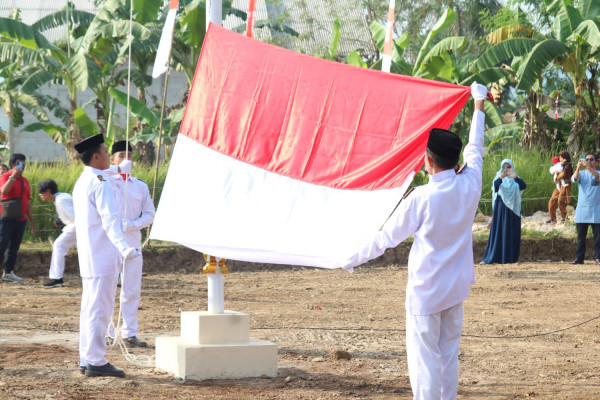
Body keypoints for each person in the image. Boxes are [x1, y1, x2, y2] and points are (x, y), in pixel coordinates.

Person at [342, 82, 488, 399]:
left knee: (424, 364)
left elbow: (385, 239)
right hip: (455, 287)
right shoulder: (471, 182)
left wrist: (349, 258)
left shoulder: (421, 198)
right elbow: (475, 148)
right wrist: (478, 104)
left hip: (426, 290)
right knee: (447, 357)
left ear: (428, 160)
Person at [72, 133, 140, 378]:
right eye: (105, 150)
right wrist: (125, 248)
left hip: (92, 257)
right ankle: (96, 360)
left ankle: (87, 357)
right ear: (97, 156)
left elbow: (109, 171)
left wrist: (118, 168)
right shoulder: (100, 184)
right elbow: (111, 221)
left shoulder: (86, 179)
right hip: (102, 256)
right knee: (100, 310)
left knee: (90, 309)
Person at [109, 141, 155, 347]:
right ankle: (107, 331)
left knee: (131, 289)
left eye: (129, 155)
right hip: (110, 243)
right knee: (108, 288)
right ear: (112, 159)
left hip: (133, 241)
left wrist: (132, 225)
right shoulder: (106, 181)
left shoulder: (141, 185)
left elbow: (150, 214)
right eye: (120, 155)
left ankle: (129, 332)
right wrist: (116, 171)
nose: (126, 158)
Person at [481, 159, 526, 264]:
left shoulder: (515, 179)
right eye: (504, 167)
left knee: (511, 232)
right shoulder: (498, 178)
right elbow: (495, 187)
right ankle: (496, 257)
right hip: (501, 209)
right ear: (501, 168)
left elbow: (523, 186)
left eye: (508, 167)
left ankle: (509, 257)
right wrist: (501, 177)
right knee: (499, 232)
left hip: (513, 211)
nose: (506, 169)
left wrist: (514, 177)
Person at [0, 154, 35, 282]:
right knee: (1, 245)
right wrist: (13, 176)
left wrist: (31, 220)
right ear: (13, 164)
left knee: (14, 247)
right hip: (6, 218)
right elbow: (4, 191)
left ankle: (8, 272)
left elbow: (28, 201)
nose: (23, 166)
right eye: (20, 163)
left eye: (24, 163)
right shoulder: (4, 176)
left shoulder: (25, 181)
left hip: (20, 219)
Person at [37, 179, 76, 288]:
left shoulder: (60, 200)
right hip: (77, 228)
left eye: (41, 192)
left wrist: (64, 226)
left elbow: (75, 219)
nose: (40, 195)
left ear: (48, 191)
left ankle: (57, 279)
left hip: (77, 228)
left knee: (59, 245)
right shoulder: (62, 196)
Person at [571, 153, 600, 264]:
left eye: (591, 160)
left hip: (596, 210)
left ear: (597, 162)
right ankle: (579, 258)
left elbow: (597, 177)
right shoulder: (581, 174)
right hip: (582, 210)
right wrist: (578, 168)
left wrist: (589, 168)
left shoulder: (598, 173)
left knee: (598, 236)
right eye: (586, 159)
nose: (588, 161)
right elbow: (575, 179)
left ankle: (597, 257)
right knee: (581, 236)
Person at [547, 151, 572, 223]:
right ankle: (553, 218)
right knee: (552, 200)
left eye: (561, 157)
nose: (560, 159)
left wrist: (556, 178)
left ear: (565, 158)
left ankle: (565, 218)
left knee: (561, 200)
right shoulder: (560, 165)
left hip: (565, 184)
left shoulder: (568, 166)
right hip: (558, 185)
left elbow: (563, 174)